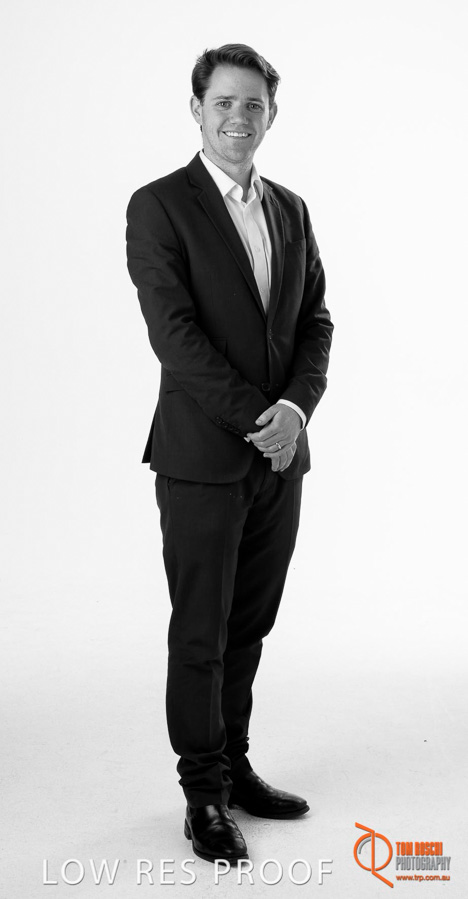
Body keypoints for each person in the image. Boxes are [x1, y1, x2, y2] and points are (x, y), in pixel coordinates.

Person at [126, 43, 333, 864]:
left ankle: (235, 765)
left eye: (254, 104)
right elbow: (174, 337)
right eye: (224, 103)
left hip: (280, 459)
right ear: (197, 110)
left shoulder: (291, 209)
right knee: (200, 633)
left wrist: (294, 411)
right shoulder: (159, 206)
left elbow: (316, 322)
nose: (239, 117)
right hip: (201, 458)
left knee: (249, 624)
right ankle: (202, 796)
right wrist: (259, 417)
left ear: (271, 115)